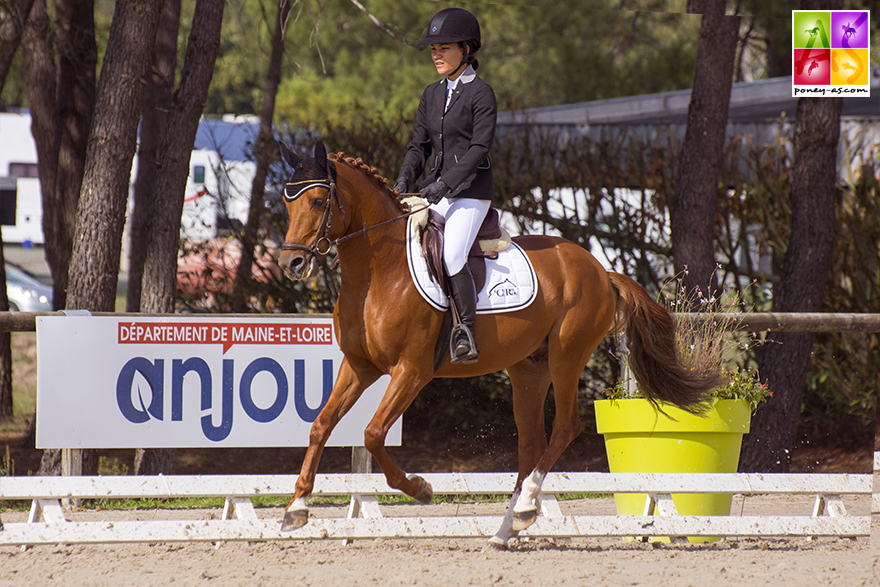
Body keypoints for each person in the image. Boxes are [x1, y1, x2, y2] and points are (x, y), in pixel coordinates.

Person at [392, 7, 497, 365]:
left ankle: (465, 330)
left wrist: (444, 185)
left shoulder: (481, 94)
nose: (436, 54)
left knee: (452, 254)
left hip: (469, 193)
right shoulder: (431, 94)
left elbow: (478, 148)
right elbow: (418, 146)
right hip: (432, 191)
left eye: (444, 47)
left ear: (466, 50)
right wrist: (405, 181)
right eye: (433, 49)